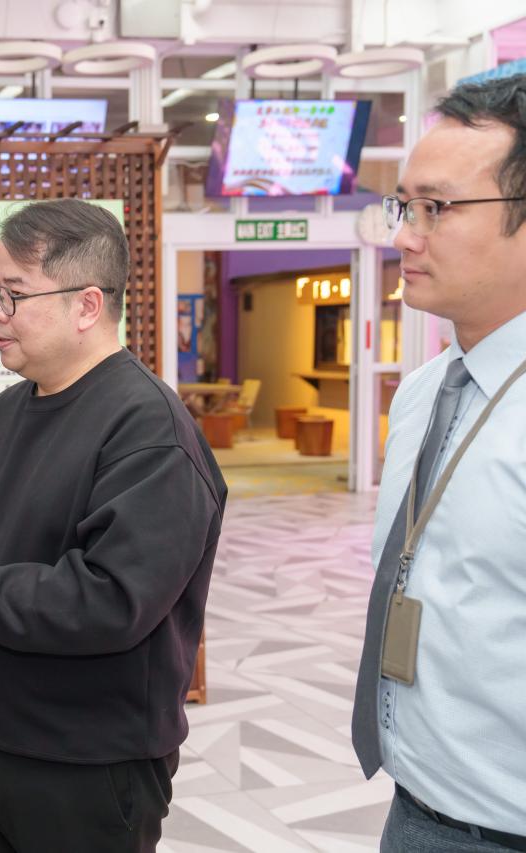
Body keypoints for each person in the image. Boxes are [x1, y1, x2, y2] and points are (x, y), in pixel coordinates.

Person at [0, 199, 227, 852]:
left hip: (89, 764)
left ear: (87, 306)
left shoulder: (149, 431)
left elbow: (110, 598)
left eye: (14, 294)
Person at [351, 75, 526, 852]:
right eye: (404, 207)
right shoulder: (423, 391)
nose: (404, 237)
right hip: (416, 800)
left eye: (437, 208)